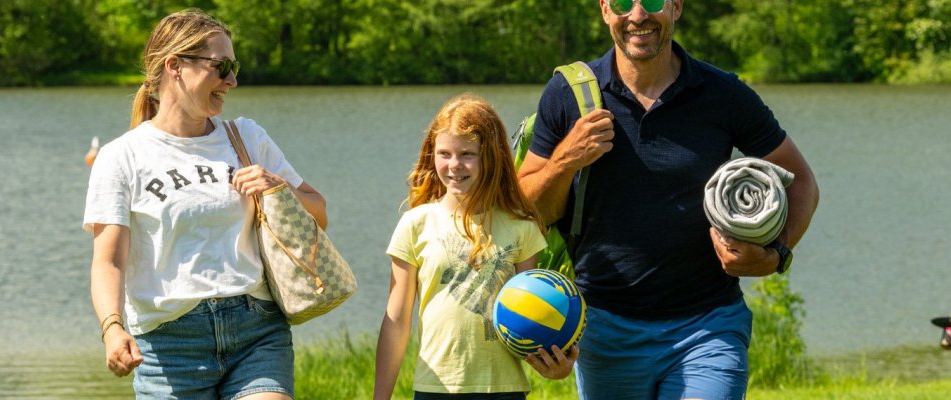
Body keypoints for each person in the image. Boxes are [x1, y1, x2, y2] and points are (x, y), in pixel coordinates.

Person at [517, 0, 821, 398]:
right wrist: (565, 161)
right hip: (605, 330)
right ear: (606, 10)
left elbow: (801, 182)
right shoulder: (568, 94)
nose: (638, 15)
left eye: (654, 2)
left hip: (708, 326)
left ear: (676, 7)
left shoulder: (723, 93)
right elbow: (527, 211)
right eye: (624, 3)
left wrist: (776, 254)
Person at [83, 9, 328, 399]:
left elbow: (318, 213)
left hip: (256, 331)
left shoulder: (246, 137)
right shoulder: (121, 157)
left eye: (234, 67)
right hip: (168, 347)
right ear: (175, 66)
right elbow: (109, 260)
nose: (231, 80)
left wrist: (276, 186)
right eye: (221, 66)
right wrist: (112, 328)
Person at [374, 94, 578, 400]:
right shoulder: (416, 224)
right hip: (436, 388)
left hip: (504, 390)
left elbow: (530, 318)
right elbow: (397, 322)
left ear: (492, 157)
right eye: (444, 153)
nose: (454, 165)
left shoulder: (522, 227)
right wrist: (381, 397)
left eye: (467, 154)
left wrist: (556, 366)